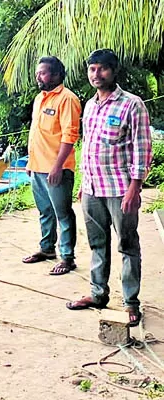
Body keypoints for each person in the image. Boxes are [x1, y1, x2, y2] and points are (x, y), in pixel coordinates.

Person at [66, 49, 152, 327]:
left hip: (120, 189)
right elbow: (87, 147)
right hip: (92, 187)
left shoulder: (132, 104)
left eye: (102, 69)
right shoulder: (89, 105)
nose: (96, 74)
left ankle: (130, 303)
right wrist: (82, 183)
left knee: (127, 245)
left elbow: (141, 148)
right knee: (96, 244)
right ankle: (97, 293)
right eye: (92, 69)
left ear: (114, 71)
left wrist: (134, 189)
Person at [22, 56, 81, 275]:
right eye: (38, 72)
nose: (39, 76)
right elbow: (35, 133)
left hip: (57, 169)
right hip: (38, 167)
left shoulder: (67, 99)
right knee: (44, 211)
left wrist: (57, 167)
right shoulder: (40, 99)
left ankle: (67, 257)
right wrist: (30, 160)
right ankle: (47, 249)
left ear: (56, 75)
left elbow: (69, 135)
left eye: (43, 72)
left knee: (63, 213)